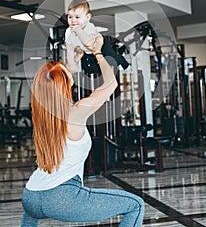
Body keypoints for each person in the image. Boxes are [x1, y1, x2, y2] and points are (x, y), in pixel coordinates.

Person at [21, 34, 144, 226]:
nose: (70, 70)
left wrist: (76, 54)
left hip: (31, 197)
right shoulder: (76, 113)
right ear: (64, 84)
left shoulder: (43, 116)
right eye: (66, 72)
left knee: (31, 216)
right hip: (61, 198)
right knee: (136, 205)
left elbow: (62, 72)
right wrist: (97, 53)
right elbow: (111, 85)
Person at [65, 0, 129, 74]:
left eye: (77, 17)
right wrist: (71, 63)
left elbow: (88, 43)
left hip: (100, 45)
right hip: (87, 51)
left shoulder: (89, 27)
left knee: (112, 60)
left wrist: (78, 31)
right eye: (70, 17)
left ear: (87, 17)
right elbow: (69, 48)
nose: (73, 20)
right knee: (89, 68)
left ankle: (122, 60)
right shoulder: (68, 31)